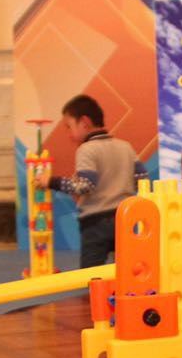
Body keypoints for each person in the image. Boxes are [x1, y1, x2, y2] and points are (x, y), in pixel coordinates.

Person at [36, 95, 148, 268]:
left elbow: (85, 186)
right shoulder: (125, 146)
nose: (68, 134)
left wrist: (51, 182)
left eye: (69, 126)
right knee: (127, 269)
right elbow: (142, 180)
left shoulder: (86, 149)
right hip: (124, 218)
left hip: (95, 223)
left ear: (84, 122)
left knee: (91, 273)